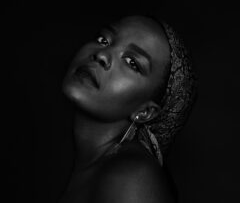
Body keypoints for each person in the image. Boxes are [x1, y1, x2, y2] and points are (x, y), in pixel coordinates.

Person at [57, 14, 197, 203]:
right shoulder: (99, 165)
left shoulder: (130, 177)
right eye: (103, 40)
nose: (102, 54)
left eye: (132, 63)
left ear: (144, 112)